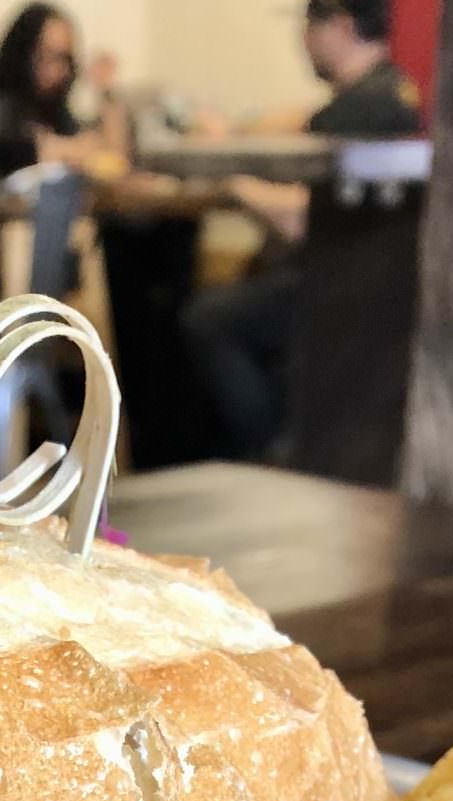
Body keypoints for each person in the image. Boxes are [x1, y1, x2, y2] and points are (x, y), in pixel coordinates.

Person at [181, 1, 423, 461]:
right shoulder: (387, 92)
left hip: (332, 288)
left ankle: (269, 454)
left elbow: (299, 220)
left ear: (341, 26)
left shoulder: (362, 108)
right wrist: (232, 133)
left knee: (208, 321)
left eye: (309, 25)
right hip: (362, 288)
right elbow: (301, 120)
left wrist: (228, 178)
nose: (304, 40)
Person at [0, 7, 130, 188]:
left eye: (64, 59)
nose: (56, 70)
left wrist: (105, 91)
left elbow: (114, 161)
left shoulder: (55, 111)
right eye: (45, 56)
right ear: (23, 53)